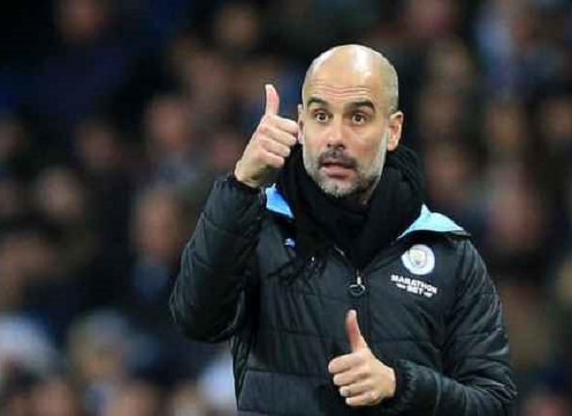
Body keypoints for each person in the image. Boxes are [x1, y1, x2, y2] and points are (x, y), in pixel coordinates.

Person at [169, 44, 516, 415]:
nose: (335, 136)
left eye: (358, 118)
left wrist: (400, 386)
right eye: (321, 116)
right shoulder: (257, 225)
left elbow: (495, 403)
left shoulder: (447, 252)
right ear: (301, 125)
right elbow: (197, 320)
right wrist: (242, 184)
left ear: (393, 130)